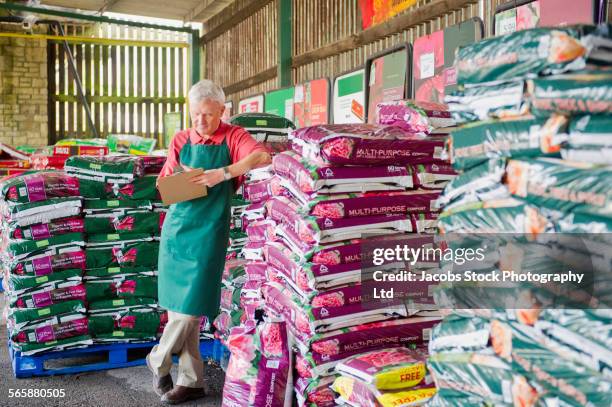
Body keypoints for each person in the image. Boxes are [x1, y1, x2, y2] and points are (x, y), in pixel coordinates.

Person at [146, 79, 271, 404]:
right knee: (178, 314)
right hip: (176, 234)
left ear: (222, 111)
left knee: (190, 311)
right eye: (195, 115)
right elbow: (165, 191)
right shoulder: (180, 139)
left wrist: (223, 173)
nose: (201, 122)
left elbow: (262, 157)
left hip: (209, 236)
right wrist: (191, 180)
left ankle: (157, 359)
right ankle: (192, 381)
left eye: (208, 115)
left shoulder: (233, 136)